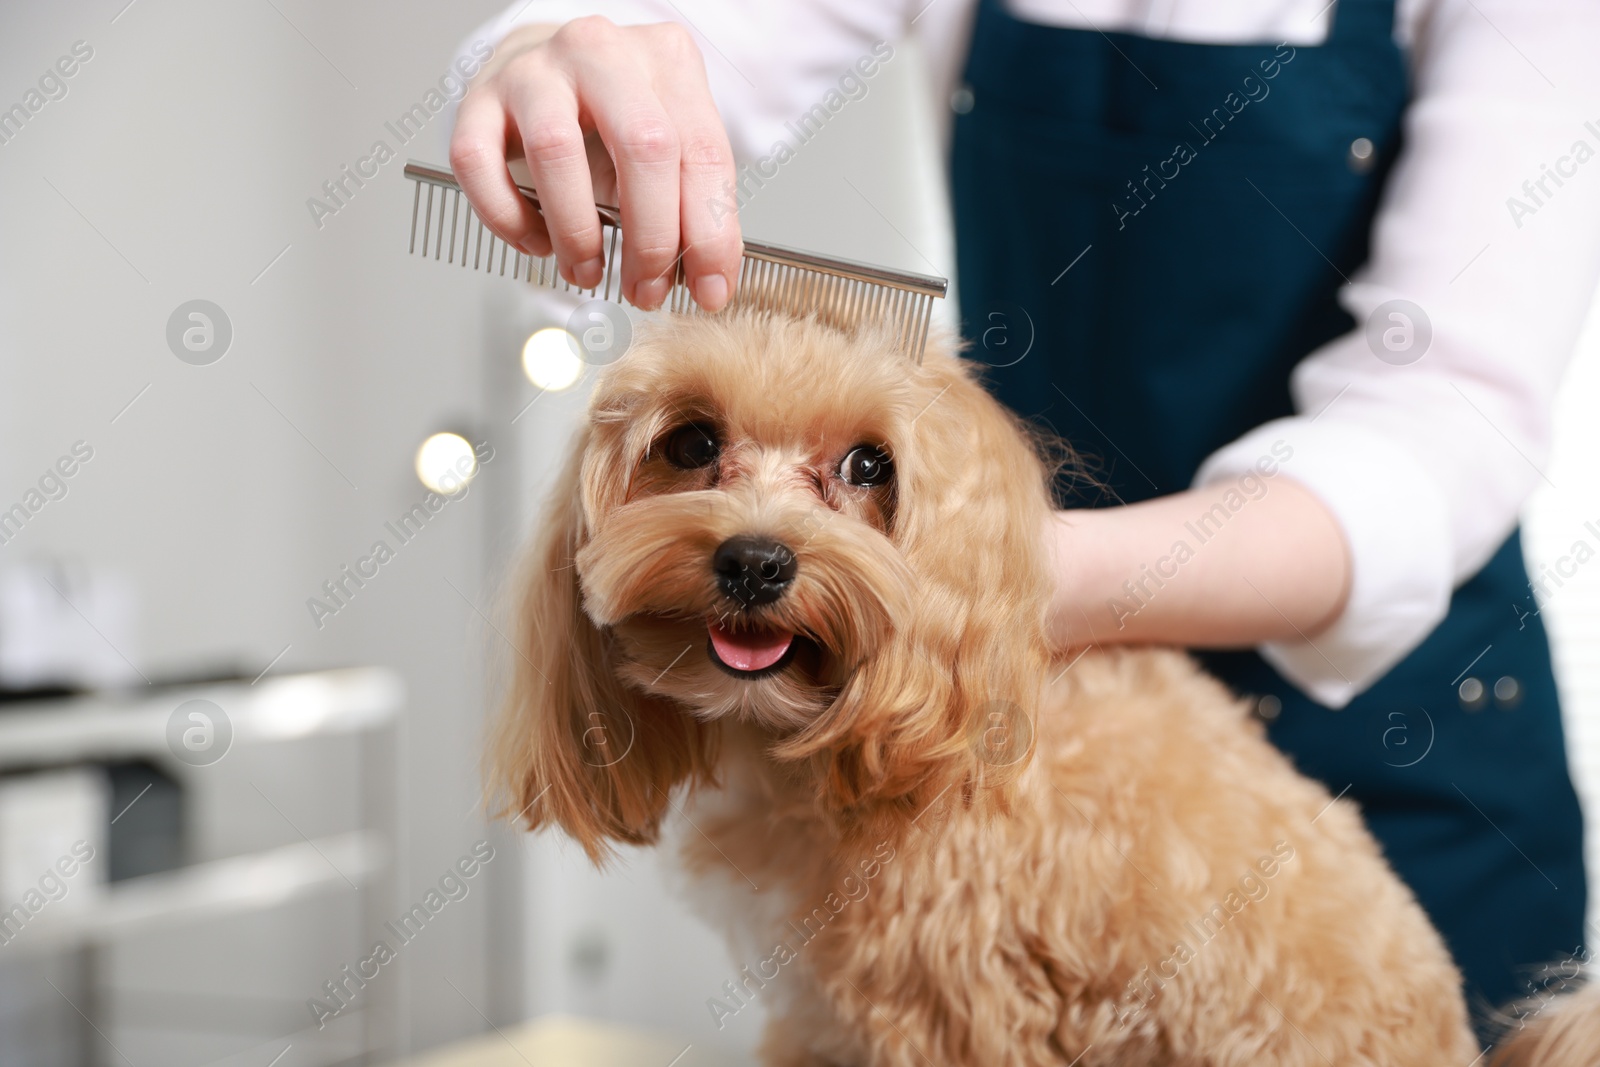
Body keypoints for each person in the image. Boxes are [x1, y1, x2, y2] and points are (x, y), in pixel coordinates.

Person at [448, 0, 1600, 1031]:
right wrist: (547, 63)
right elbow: (687, 34)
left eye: (851, 461)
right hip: (986, 696)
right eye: (699, 450)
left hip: (1410, 742)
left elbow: (1439, 429)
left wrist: (979, 583)